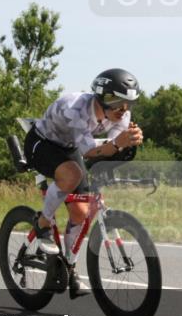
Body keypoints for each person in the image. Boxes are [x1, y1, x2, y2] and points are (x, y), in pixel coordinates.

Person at [23, 68, 144, 297]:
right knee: (72, 175)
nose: (123, 109)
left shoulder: (122, 115)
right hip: (42, 143)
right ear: (101, 97)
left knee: (80, 211)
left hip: (70, 147)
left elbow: (110, 149)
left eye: (128, 103)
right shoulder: (76, 108)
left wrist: (128, 145)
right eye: (116, 101)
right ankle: (43, 224)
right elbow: (91, 151)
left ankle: (70, 268)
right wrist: (119, 143)